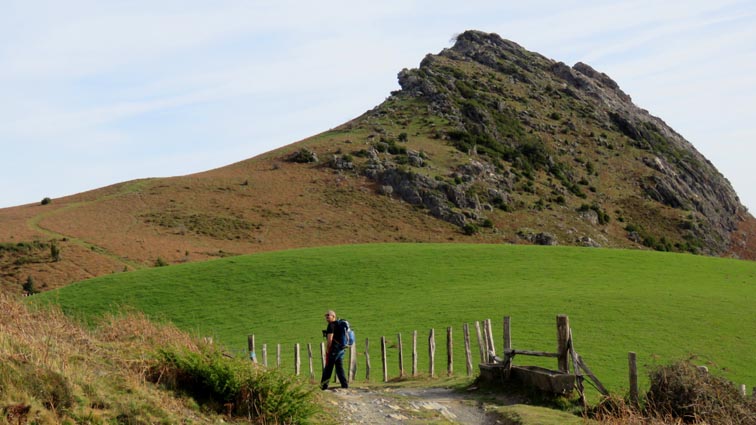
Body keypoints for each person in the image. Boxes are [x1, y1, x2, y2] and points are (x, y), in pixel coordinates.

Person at [320, 310, 348, 390]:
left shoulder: (331, 325)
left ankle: (323, 386)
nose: (327, 317)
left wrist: (328, 349)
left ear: (333, 316)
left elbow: (330, 339)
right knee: (339, 367)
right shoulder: (339, 324)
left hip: (334, 349)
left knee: (328, 368)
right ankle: (344, 385)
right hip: (341, 349)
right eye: (326, 316)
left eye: (328, 316)